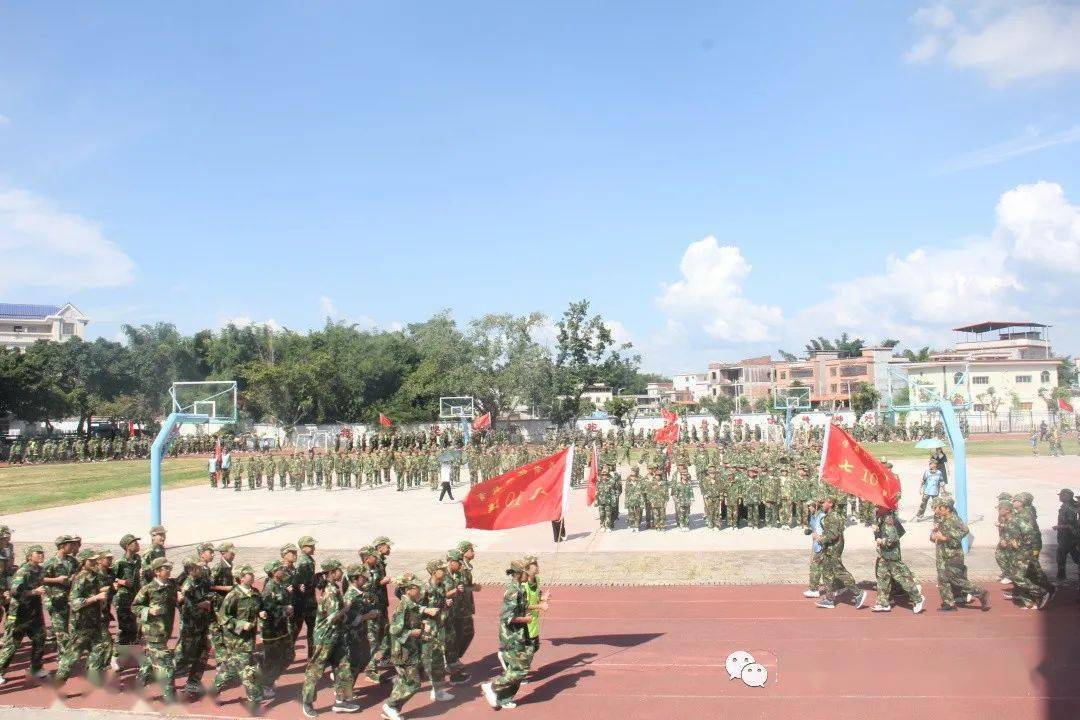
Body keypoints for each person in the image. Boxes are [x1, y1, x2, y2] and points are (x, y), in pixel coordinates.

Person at [300, 558, 358, 717]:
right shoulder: (331, 591)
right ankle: (307, 702)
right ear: (332, 572)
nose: (342, 572)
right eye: (339, 570)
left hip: (336, 635)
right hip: (325, 638)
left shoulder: (333, 587)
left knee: (343, 667)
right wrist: (347, 608)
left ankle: (342, 700)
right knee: (315, 671)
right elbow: (333, 617)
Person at [481, 560, 542, 710]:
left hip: (521, 632)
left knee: (522, 666)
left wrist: (536, 606)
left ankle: (503, 698)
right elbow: (507, 617)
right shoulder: (513, 590)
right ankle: (492, 686)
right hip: (512, 636)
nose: (527, 576)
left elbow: (520, 608)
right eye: (525, 573)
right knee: (520, 669)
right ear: (519, 574)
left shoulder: (519, 588)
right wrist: (526, 618)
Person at [381, 574, 438, 720]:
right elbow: (393, 629)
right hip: (403, 652)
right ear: (408, 590)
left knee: (403, 680)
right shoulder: (403, 606)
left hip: (410, 650)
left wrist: (422, 620)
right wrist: (413, 632)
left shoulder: (410, 604)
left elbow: (415, 613)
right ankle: (391, 705)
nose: (420, 591)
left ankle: (391, 708)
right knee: (414, 683)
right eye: (417, 588)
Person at [212, 564, 264, 711]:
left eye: (252, 573)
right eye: (249, 574)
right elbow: (223, 618)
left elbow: (260, 606)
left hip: (249, 638)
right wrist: (241, 624)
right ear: (241, 578)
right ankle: (254, 699)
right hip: (235, 639)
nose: (252, 576)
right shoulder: (233, 595)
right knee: (247, 669)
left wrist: (261, 613)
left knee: (231, 669)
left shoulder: (255, 592)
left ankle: (215, 688)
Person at [0, 545, 48, 686]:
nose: (41, 555)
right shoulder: (23, 571)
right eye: (37, 553)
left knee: (40, 638)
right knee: (12, 644)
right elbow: (15, 592)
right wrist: (33, 592)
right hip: (20, 613)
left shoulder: (40, 570)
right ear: (29, 556)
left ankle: (35, 668)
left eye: (42, 552)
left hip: (35, 612)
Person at [930, 498, 990, 612]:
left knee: (956, 579)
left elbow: (964, 531)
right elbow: (935, 535)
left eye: (940, 508)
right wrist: (934, 535)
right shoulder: (942, 519)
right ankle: (948, 603)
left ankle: (981, 593)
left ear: (947, 509)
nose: (938, 510)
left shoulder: (954, 519)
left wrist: (945, 538)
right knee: (942, 579)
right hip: (941, 553)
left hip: (952, 554)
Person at [131, 557, 177, 701]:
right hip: (153, 632)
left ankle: (139, 685)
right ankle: (169, 697)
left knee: (151, 660)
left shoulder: (171, 586)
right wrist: (148, 610)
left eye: (169, 568)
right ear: (157, 572)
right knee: (167, 664)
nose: (169, 570)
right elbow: (134, 606)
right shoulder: (148, 588)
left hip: (165, 630)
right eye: (166, 568)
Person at [814, 497, 866, 610]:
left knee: (839, 571)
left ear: (831, 504)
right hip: (829, 548)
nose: (822, 504)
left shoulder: (833, 516)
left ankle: (858, 593)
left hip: (834, 548)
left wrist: (819, 538)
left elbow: (833, 535)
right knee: (827, 572)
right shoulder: (828, 515)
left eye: (823, 502)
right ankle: (829, 599)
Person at [870, 508, 925, 614]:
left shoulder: (889, 520)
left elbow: (893, 538)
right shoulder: (880, 519)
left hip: (892, 557)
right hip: (883, 556)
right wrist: (876, 533)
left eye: (878, 507)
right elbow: (879, 535)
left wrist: (881, 541)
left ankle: (918, 599)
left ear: (885, 508)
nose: (876, 509)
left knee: (903, 580)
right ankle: (883, 603)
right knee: (882, 580)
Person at [176, 557, 213, 697]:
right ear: (191, 570)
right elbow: (186, 608)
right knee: (184, 657)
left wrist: (208, 599)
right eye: (198, 568)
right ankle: (162, 675)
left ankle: (193, 683)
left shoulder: (201, 582)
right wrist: (201, 605)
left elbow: (207, 594)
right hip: (190, 627)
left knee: (203, 655)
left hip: (202, 625)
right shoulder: (188, 585)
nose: (202, 570)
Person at [259, 560, 294, 699]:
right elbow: (267, 609)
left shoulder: (280, 585)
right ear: (274, 573)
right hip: (271, 630)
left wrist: (288, 608)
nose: (283, 569)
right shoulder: (269, 588)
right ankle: (265, 684)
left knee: (289, 656)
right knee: (273, 659)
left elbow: (283, 601)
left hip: (282, 628)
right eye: (280, 568)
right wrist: (284, 609)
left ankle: (268, 679)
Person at [111, 533, 141, 669]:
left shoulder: (137, 559)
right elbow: (110, 578)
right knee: (124, 628)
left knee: (133, 628)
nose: (138, 544)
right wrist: (122, 581)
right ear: (128, 546)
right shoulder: (120, 562)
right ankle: (115, 657)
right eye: (135, 542)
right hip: (122, 599)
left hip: (134, 598)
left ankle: (126, 653)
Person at [1052, 489, 1080, 582]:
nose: (1060, 497)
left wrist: (1059, 527)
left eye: (1062, 495)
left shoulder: (1071, 507)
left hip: (1070, 536)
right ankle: (1061, 576)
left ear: (1068, 496)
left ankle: (1061, 576)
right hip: (1065, 535)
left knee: (1062, 554)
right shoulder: (1065, 506)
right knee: (1073, 555)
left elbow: (1072, 524)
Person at [802, 499, 825, 598]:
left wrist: (819, 536)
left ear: (815, 506)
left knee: (815, 567)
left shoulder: (822, 517)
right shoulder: (813, 516)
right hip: (816, 545)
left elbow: (830, 531)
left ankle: (814, 589)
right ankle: (838, 587)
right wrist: (809, 531)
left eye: (810, 506)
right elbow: (813, 528)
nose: (808, 508)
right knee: (825, 567)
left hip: (822, 545)